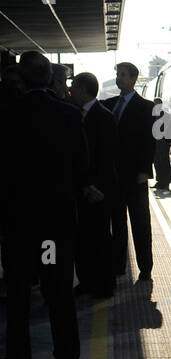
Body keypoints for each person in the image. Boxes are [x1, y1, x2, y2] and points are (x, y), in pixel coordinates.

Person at [1, 51, 87, 359]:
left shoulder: (8, 114)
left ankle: (18, 357)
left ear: (21, 79)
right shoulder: (69, 115)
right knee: (58, 287)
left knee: (20, 290)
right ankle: (66, 353)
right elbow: (82, 165)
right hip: (56, 223)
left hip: (19, 222)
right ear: (50, 78)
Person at [105, 62, 157, 283]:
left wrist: (145, 170)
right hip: (114, 175)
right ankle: (118, 265)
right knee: (117, 222)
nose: (119, 78)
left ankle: (145, 267)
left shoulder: (146, 107)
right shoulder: (109, 104)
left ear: (134, 78)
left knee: (140, 223)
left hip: (136, 175)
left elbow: (149, 141)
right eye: (118, 74)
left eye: (123, 75)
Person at [70, 72, 117, 299]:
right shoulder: (74, 114)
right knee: (82, 238)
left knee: (100, 238)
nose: (70, 91)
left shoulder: (104, 117)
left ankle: (104, 285)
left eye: (74, 87)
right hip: (82, 188)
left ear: (83, 90)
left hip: (99, 189)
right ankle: (86, 281)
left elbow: (106, 156)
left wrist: (96, 186)